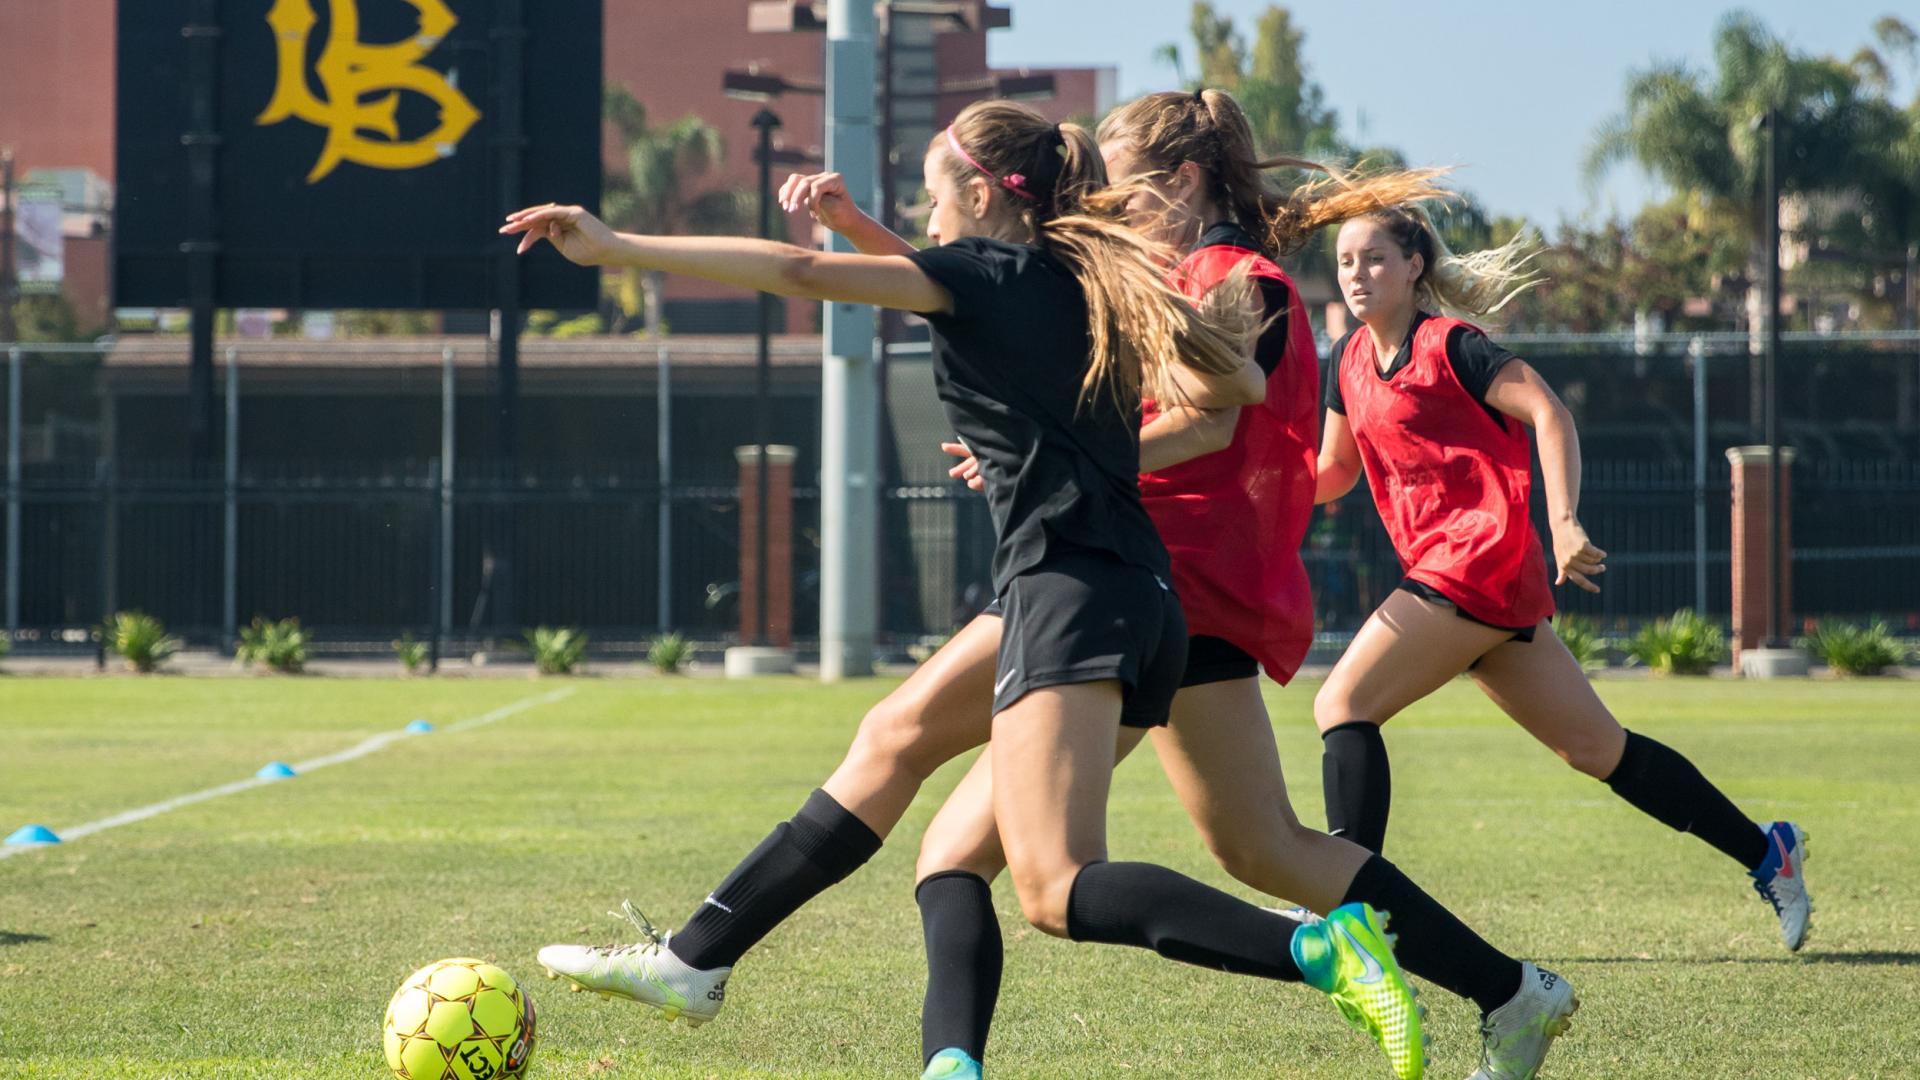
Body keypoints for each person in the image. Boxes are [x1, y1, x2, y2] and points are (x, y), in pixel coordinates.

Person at [504, 99, 1432, 1078]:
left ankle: (1317, 948)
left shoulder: (993, 276)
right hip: (1130, 590)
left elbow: (800, 272)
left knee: (1057, 885)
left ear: (981, 194)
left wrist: (616, 249)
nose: (922, 211)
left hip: (1072, 588)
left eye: (932, 193)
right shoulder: (1077, 277)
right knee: (899, 754)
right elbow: (1205, 380)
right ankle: (713, 963)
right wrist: (867, 230)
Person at [907, 89, 1571, 1080]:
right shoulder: (1202, 271)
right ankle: (1514, 991)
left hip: (1150, 589)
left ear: (1182, 179)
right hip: (1177, 591)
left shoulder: (1233, 276)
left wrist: (1062, 454)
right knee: (1264, 846)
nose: (1107, 204)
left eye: (1124, 185)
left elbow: (1213, 424)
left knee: (967, 845)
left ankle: (939, 1057)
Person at [1311, 204, 1811, 957]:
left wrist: (1565, 520)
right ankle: (1767, 851)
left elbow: (1550, 412)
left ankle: (1348, 911)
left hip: (1475, 561)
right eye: (1347, 260)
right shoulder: (1346, 363)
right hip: (1464, 580)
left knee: (1342, 703)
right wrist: (1242, 482)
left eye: (1374, 258)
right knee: (1598, 750)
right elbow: (1333, 472)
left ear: (1415, 266)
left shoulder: (1452, 346)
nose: (1357, 273)